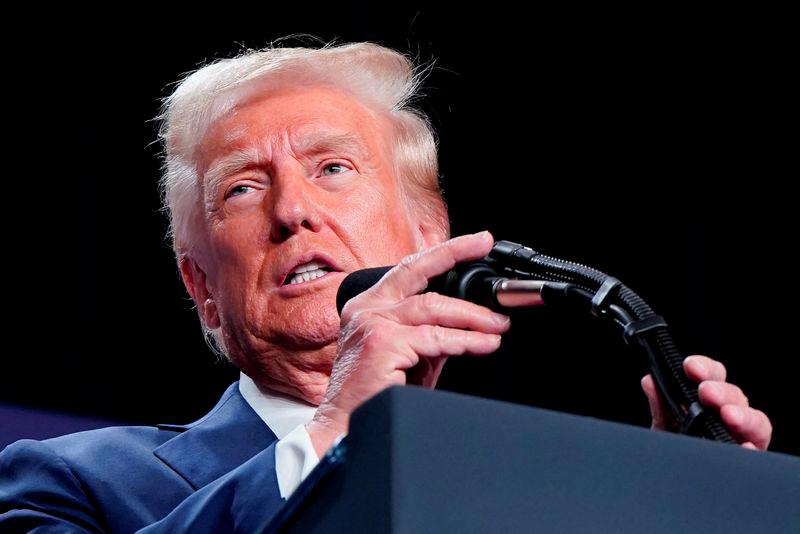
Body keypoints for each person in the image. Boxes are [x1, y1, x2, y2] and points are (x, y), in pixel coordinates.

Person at [0, 41, 772, 532]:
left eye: (332, 168)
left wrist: (678, 499)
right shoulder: (71, 484)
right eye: (241, 189)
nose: (292, 210)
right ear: (200, 286)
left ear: (429, 236)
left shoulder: (530, 501)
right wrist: (337, 428)